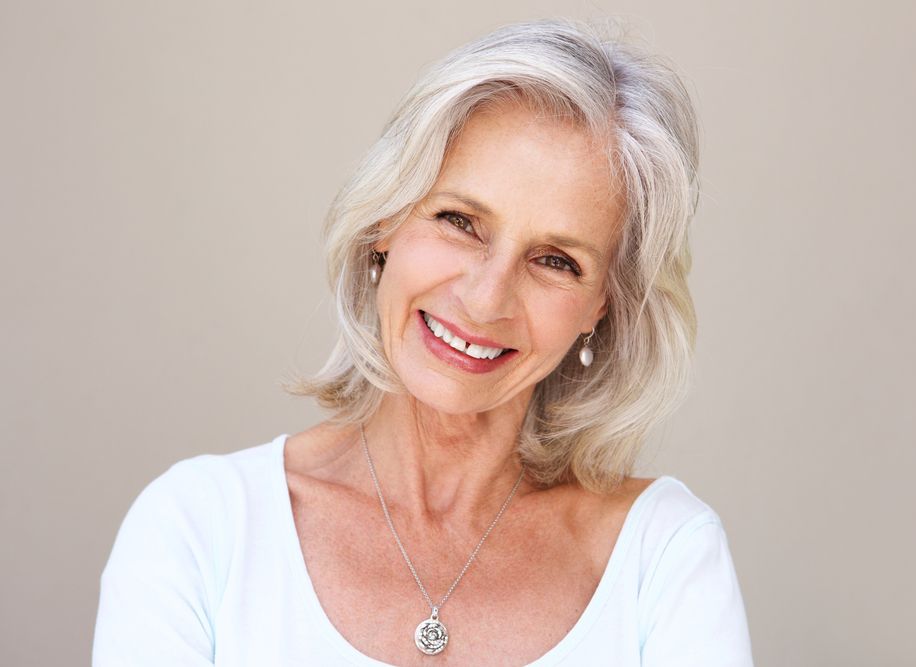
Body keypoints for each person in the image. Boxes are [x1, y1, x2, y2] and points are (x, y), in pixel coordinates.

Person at [93, 17, 754, 667]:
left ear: (601, 304)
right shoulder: (199, 529)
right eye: (459, 221)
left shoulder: (665, 557)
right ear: (386, 217)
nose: (486, 299)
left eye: (555, 260)